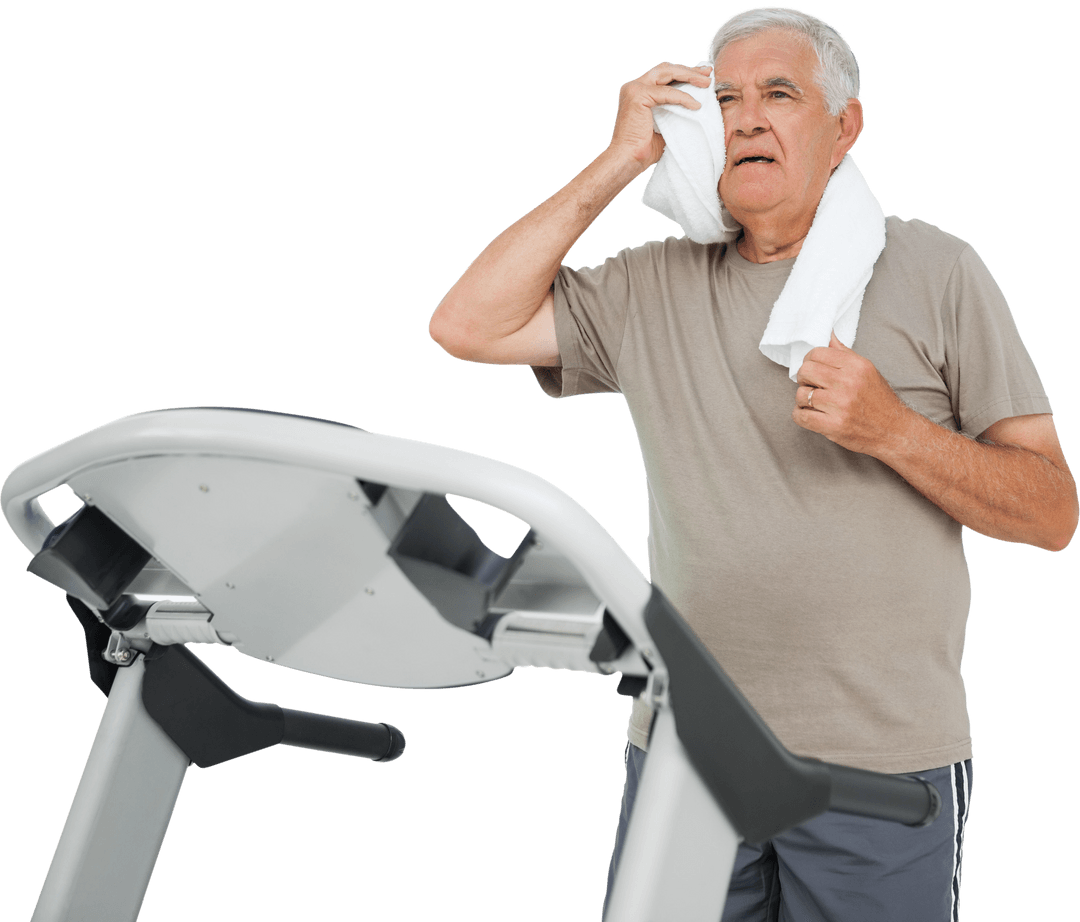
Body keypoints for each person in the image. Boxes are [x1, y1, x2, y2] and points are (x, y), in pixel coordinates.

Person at [428, 6, 1078, 920]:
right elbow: (466, 325)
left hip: (879, 771)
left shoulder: (938, 270)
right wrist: (620, 161)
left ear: (844, 126)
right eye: (724, 98)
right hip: (688, 760)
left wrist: (895, 430)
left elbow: (1052, 512)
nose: (746, 117)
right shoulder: (653, 283)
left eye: (781, 93)